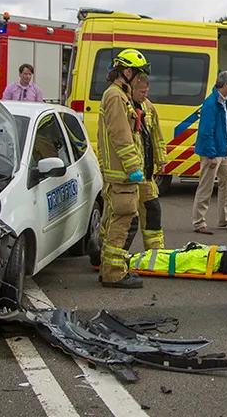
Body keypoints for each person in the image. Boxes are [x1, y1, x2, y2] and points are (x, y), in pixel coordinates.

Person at [89, 49, 151, 289]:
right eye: (139, 74)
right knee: (122, 220)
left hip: (120, 172)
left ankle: (108, 267)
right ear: (127, 71)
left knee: (114, 219)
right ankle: (113, 273)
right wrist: (133, 166)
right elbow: (121, 135)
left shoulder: (119, 95)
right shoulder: (116, 96)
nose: (141, 80)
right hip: (122, 174)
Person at [191, 71, 227, 234]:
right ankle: (199, 222)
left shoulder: (221, 102)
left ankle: (225, 218)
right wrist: (211, 155)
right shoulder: (211, 104)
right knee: (205, 187)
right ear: (225, 85)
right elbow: (207, 131)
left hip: (222, 150)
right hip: (213, 152)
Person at [125, 75, 167, 252]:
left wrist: (161, 159)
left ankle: (155, 253)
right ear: (132, 88)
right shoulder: (123, 107)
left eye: (147, 91)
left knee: (153, 212)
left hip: (146, 174)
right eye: (142, 91)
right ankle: (111, 255)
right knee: (127, 219)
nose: (145, 95)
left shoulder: (149, 107)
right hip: (130, 175)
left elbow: (156, 135)